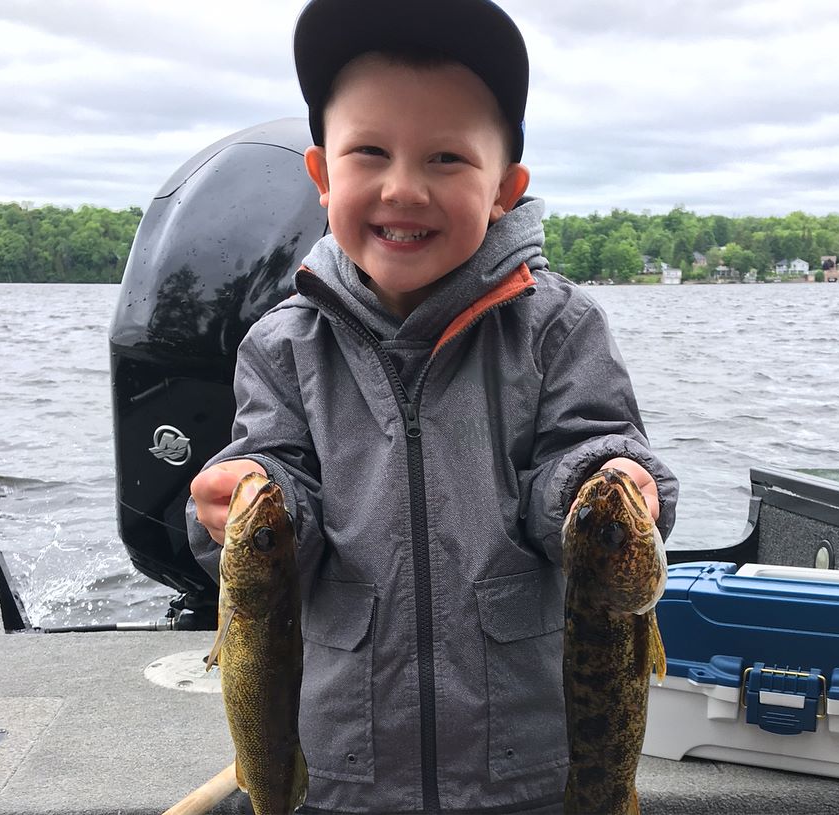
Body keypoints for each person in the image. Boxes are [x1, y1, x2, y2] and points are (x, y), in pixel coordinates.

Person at [187, 0, 678, 812]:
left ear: (503, 190)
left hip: (526, 767)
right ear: (321, 177)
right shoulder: (281, 346)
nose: (404, 188)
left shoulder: (561, 327)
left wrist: (606, 475)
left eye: (447, 158)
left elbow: (583, 449)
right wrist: (241, 494)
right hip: (343, 770)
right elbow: (283, 494)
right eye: (369, 151)